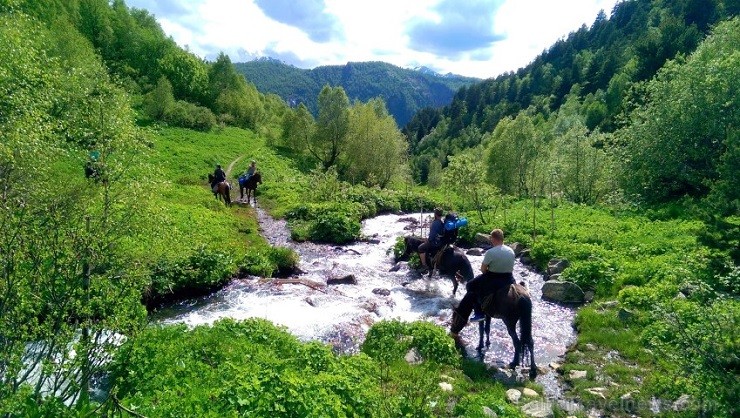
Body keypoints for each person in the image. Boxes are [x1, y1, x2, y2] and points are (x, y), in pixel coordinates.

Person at [450, 228, 515, 336]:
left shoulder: (491, 252)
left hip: (493, 278)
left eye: (491, 239)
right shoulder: (511, 251)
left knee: (471, 285)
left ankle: (478, 313)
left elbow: (483, 270)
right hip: (509, 279)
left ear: (494, 239)